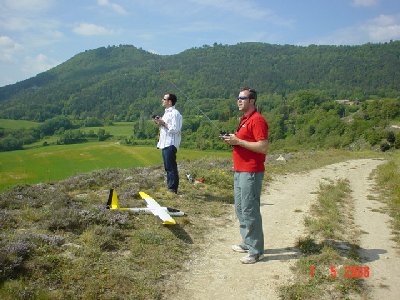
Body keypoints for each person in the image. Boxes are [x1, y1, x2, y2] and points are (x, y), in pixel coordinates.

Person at [222, 87, 268, 264]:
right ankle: (247, 242)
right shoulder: (244, 120)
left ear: (252, 101)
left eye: (243, 98)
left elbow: (263, 146)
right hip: (240, 170)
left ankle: (256, 252)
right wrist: (233, 140)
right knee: (240, 208)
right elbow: (244, 143)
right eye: (238, 97)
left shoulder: (257, 120)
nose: (239, 100)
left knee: (250, 210)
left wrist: (238, 141)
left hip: (251, 172)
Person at [153, 93, 182, 194]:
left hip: (170, 143)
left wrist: (163, 123)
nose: (162, 100)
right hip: (165, 143)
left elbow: (175, 129)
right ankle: (170, 187)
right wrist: (160, 122)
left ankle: (172, 189)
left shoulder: (175, 113)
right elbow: (166, 127)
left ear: (169, 101)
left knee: (171, 167)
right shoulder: (167, 113)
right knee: (167, 167)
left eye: (164, 99)